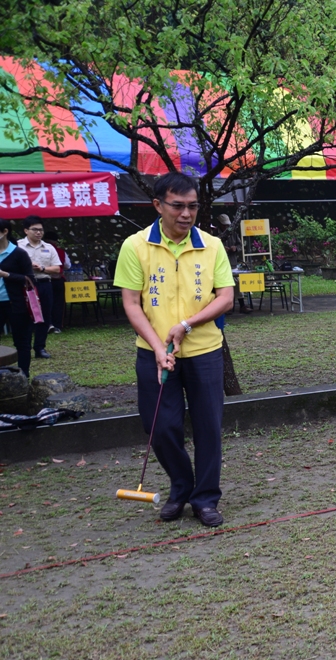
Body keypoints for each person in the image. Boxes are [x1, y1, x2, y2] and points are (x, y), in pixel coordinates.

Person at [113, 172, 236, 527]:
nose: (186, 214)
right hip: (154, 352)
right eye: (177, 206)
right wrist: (157, 346)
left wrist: (185, 325)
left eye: (192, 206)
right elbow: (132, 304)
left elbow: (225, 297)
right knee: (160, 426)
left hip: (204, 351)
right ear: (158, 205)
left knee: (208, 427)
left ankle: (205, 498)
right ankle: (182, 486)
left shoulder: (211, 245)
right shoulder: (135, 246)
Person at [18, 215, 60, 358]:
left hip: (44, 284)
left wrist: (41, 268)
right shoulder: (18, 247)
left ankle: (40, 348)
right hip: (25, 285)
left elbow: (57, 269)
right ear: (26, 231)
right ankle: (25, 348)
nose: (38, 233)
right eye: (35, 229)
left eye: (41, 230)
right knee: (27, 316)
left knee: (45, 317)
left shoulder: (49, 247)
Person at [0, 219, 35, 377]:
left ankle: (23, 377)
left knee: (22, 342)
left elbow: (29, 280)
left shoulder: (19, 254)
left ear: (5, 232)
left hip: (16, 303)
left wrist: (5, 274)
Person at [44, 230, 70, 333]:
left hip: (45, 280)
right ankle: (57, 326)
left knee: (45, 302)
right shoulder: (61, 251)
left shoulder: (40, 251)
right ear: (56, 241)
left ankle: (48, 324)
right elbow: (68, 265)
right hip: (58, 279)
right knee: (58, 304)